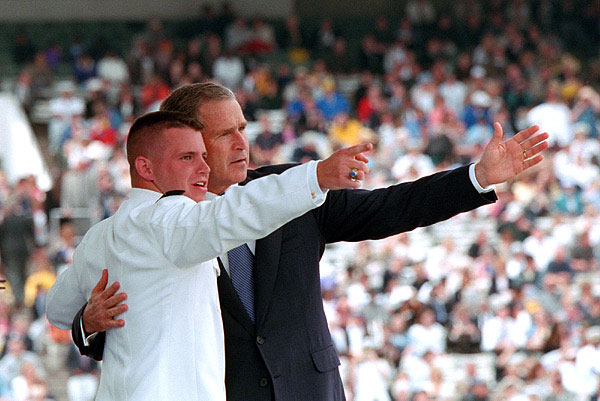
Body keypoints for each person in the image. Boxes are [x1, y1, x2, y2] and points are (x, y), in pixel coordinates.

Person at [70, 83, 548, 400]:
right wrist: (87, 327)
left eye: (243, 128)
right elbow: (133, 333)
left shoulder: (291, 189)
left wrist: (476, 178)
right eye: (224, 134)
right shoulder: (152, 228)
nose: (241, 142)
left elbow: (390, 208)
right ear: (183, 145)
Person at [45, 110, 371, 400]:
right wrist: (317, 177)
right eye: (187, 157)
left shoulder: (99, 236)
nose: (204, 167)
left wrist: (87, 320)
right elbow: (237, 211)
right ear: (145, 167)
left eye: (203, 155)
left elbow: (58, 309)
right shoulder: (170, 218)